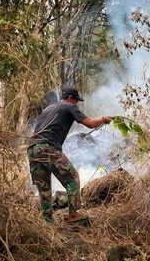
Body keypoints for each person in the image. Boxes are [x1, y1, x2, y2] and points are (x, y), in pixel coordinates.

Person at [28, 86, 112, 223]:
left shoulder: (48, 109)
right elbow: (90, 124)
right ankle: (74, 214)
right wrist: (103, 119)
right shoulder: (68, 106)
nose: (77, 104)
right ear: (70, 98)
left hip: (32, 149)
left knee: (44, 187)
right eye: (76, 100)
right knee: (72, 178)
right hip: (48, 147)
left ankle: (47, 222)